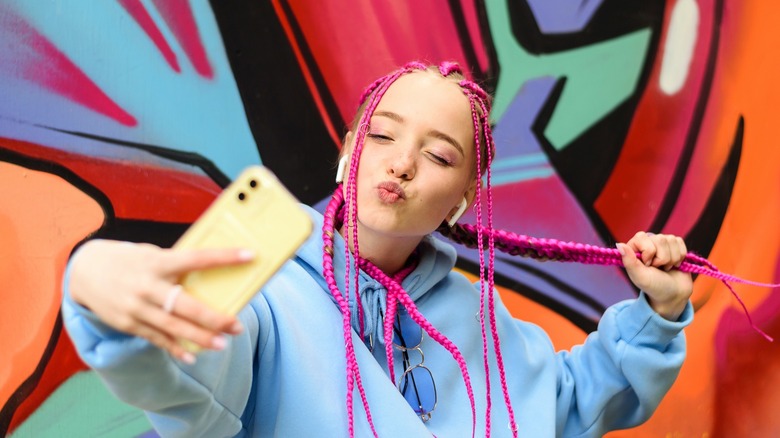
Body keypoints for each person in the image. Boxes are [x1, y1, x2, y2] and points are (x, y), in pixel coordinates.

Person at [62, 61, 693, 437]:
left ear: (461, 202)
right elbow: (190, 379)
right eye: (383, 133)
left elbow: (564, 404)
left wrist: (656, 318)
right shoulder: (265, 291)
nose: (402, 163)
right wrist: (94, 287)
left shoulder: (481, 320)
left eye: (439, 154)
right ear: (346, 153)